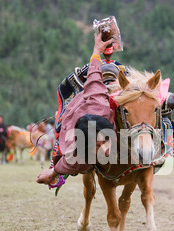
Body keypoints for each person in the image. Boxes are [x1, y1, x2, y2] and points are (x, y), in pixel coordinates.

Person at [36, 30, 115, 186]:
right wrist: (52, 172)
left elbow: (93, 78)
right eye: (98, 146)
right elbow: (64, 165)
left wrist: (97, 51)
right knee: (62, 109)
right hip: (72, 112)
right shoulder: (78, 158)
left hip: (92, 101)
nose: (105, 149)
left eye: (105, 140)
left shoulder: (101, 104)